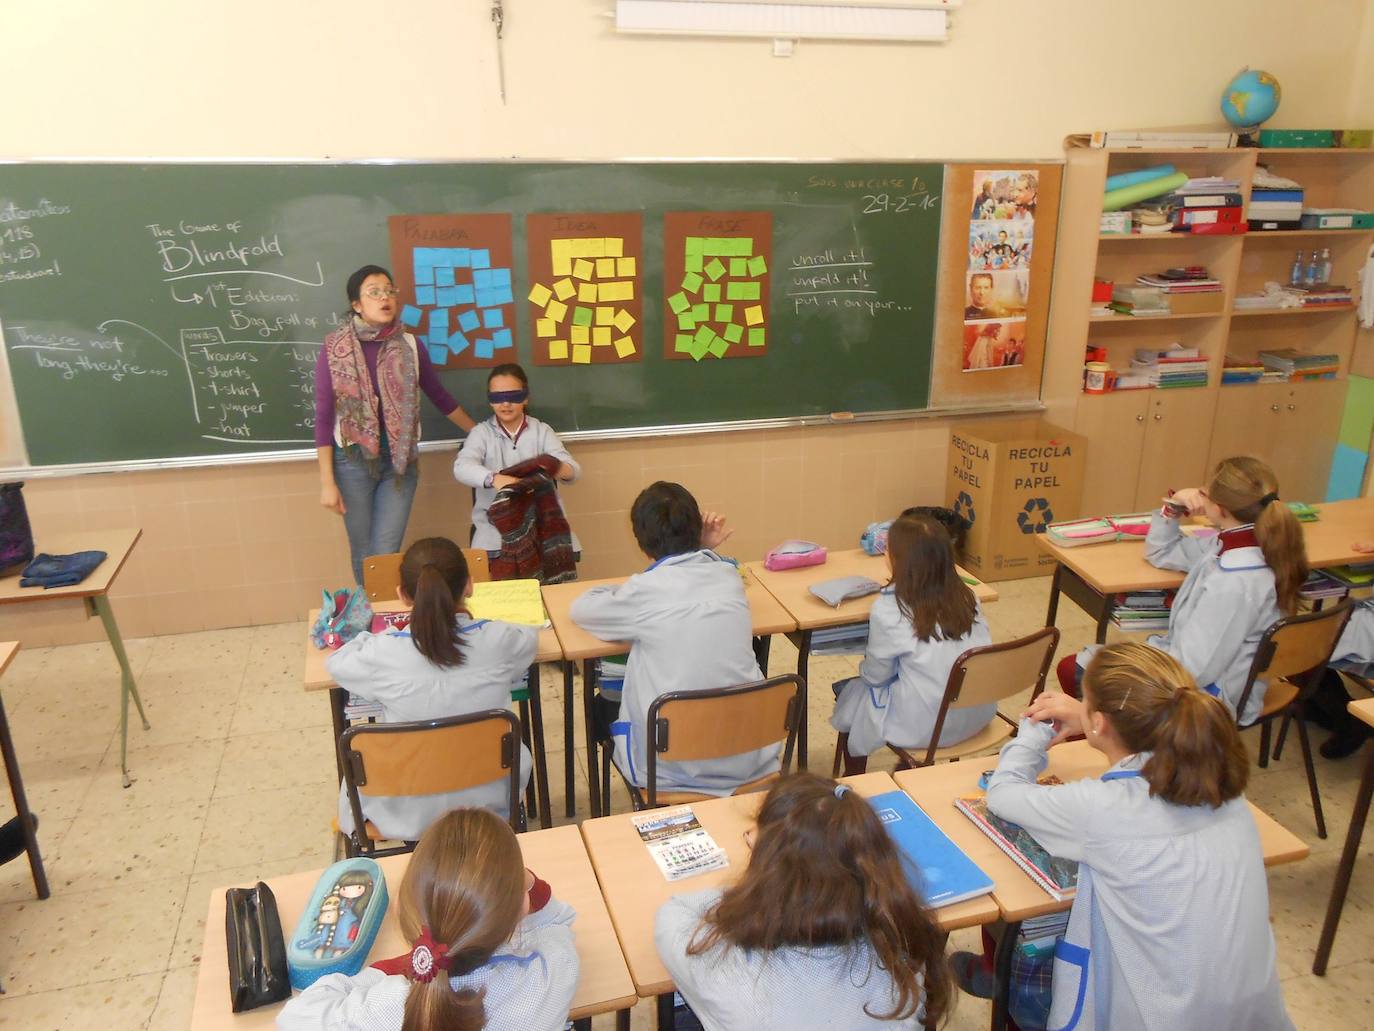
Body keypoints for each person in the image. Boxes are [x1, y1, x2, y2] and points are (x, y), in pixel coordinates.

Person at [954, 643, 1294, 1031]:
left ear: (1101, 723)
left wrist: (1031, 736)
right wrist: (1091, 718)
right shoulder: (1218, 782)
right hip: (1250, 1013)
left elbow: (1003, 795)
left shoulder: (1105, 807)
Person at [655, 772, 953, 1029]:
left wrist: (756, 885)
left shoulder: (734, 977)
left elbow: (674, 913)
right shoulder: (901, 956)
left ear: (773, 873)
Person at [1056, 456, 1307, 727]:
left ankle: (1122, 751)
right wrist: (1172, 509)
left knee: (1080, 672)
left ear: (1220, 509)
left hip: (1203, 696)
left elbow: (1193, 671)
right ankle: (1107, 741)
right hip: (1196, 669)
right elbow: (1162, 552)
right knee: (1088, 664)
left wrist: (1134, 662)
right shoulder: (1243, 544)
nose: (1199, 492)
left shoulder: (1233, 583)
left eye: (1204, 491)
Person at [277, 808, 578, 1031]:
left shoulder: (385, 1005)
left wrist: (383, 972)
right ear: (520, 908)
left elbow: (293, 1018)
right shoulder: (549, 974)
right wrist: (523, 884)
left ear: (401, 909)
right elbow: (556, 920)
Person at [569, 481, 776, 796]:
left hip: (671, 769)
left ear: (641, 541)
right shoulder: (728, 577)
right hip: (750, 757)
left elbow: (583, 609)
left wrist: (626, 588)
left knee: (603, 704)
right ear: (696, 529)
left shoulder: (644, 591)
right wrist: (704, 549)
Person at [326, 537, 535, 839]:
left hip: (404, 809)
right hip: (490, 803)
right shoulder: (500, 640)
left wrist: (370, 637)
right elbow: (528, 639)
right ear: (470, 586)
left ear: (403, 595)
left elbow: (337, 663)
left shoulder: (381, 653)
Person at [317, 265, 475, 585]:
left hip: (401, 463)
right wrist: (327, 482)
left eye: (389, 290)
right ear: (357, 305)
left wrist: (480, 431)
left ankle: (386, 614)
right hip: (352, 462)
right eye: (373, 291)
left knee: (386, 550)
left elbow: (440, 397)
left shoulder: (411, 346)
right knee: (363, 550)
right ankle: (374, 619)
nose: (384, 297)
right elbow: (322, 415)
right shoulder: (335, 350)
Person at [832, 512, 993, 775]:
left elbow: (876, 676)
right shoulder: (968, 596)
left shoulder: (889, 609)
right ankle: (907, 769)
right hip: (976, 714)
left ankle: (855, 779)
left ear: (897, 561)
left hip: (926, 726)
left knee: (852, 694)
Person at [452, 363, 580, 558]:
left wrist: (557, 466)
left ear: (526, 397)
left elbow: (574, 472)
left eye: (513, 396)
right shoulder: (481, 433)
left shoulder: (542, 431)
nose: (505, 404)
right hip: (494, 530)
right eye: (498, 397)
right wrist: (494, 479)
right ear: (490, 401)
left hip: (542, 526)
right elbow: (462, 467)